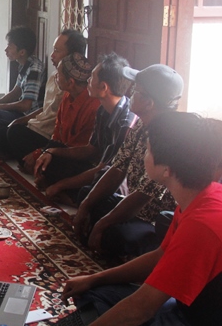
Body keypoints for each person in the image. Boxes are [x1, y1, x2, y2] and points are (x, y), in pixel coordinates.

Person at [60, 112, 222, 326]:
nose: (144, 155)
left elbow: (142, 309)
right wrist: (94, 278)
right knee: (94, 291)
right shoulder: (202, 195)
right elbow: (160, 255)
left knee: (122, 310)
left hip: (195, 318)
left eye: (147, 149)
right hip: (188, 306)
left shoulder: (202, 224)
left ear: (167, 169)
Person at [74, 64, 182, 257]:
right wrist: (85, 206)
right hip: (135, 212)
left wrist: (102, 224)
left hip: (155, 221)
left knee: (115, 235)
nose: (130, 94)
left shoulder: (171, 139)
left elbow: (142, 195)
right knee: (87, 197)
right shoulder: (142, 123)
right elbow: (118, 167)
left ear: (149, 102)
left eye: (135, 91)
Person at [34, 53, 138, 205]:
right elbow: (90, 149)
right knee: (52, 158)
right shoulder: (103, 110)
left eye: (92, 77)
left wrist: (60, 184)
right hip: (98, 169)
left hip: (116, 180)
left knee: (95, 197)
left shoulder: (125, 123)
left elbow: (106, 171)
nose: (88, 80)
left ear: (103, 87)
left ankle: (70, 197)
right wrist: (52, 151)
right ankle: (69, 195)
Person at [0, 29, 87, 158]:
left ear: (72, 55)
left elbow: (30, 107)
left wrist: (18, 119)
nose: (52, 55)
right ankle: (15, 151)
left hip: (44, 134)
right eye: (53, 50)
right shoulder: (54, 75)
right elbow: (37, 104)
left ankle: (19, 152)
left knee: (8, 131)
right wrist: (17, 118)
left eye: (57, 51)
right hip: (35, 124)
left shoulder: (69, 85)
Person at [19, 53, 101, 176]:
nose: (56, 76)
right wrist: (42, 152)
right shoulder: (67, 96)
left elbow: (79, 150)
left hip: (79, 157)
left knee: (51, 167)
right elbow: (57, 134)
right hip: (61, 149)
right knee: (33, 159)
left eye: (59, 75)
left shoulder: (94, 107)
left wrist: (46, 153)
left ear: (71, 82)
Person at [0, 26, 46, 150]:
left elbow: (26, 105)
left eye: (10, 46)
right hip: (21, 111)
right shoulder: (25, 64)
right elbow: (15, 92)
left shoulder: (34, 69)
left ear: (22, 52)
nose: (6, 50)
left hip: (28, 116)